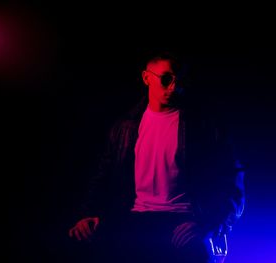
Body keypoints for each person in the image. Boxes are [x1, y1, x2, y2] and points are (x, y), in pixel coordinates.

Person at [68, 50, 246, 263]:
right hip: (134, 219)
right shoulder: (126, 126)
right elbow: (104, 174)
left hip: (184, 220)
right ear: (146, 78)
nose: (173, 86)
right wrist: (88, 214)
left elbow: (231, 178)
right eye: (166, 79)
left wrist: (207, 223)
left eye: (179, 80)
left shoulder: (204, 126)